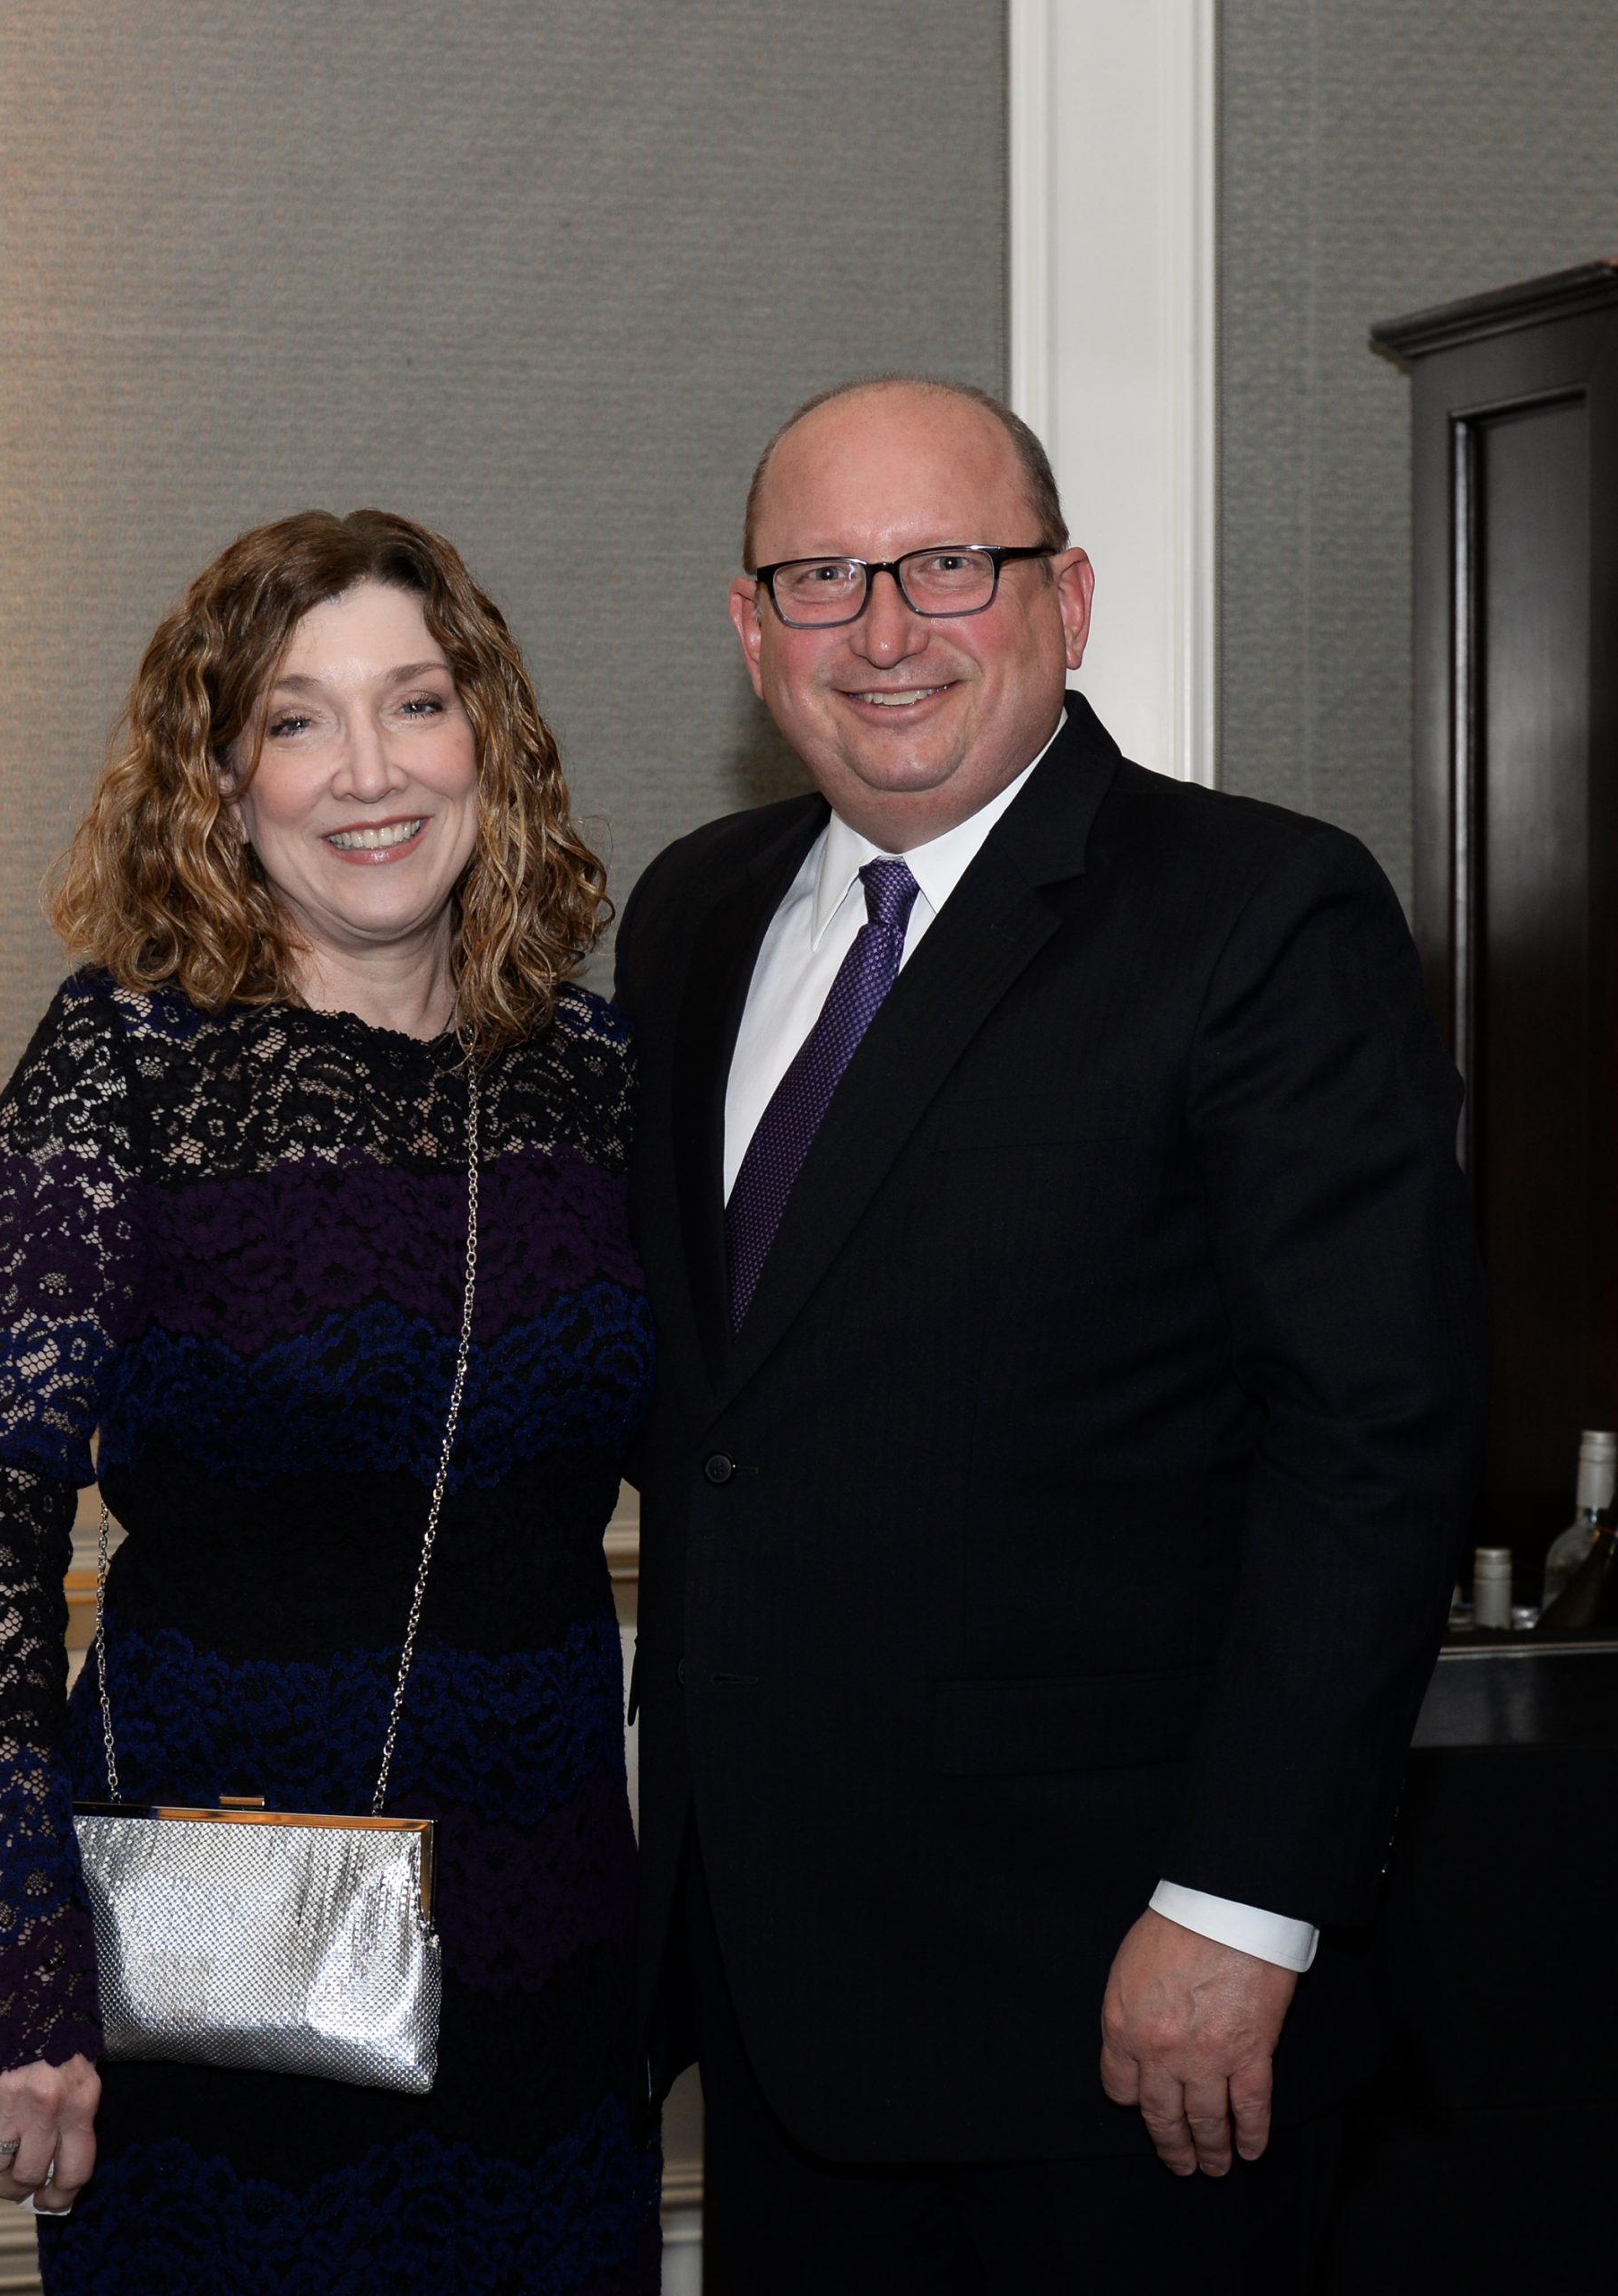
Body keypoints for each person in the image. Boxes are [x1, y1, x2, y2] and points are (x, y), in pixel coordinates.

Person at [612, 378, 1491, 2292]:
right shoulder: (690, 916)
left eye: (949, 563)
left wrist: (1240, 1905)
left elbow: (1372, 1441)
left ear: (1065, 599)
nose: (885, 630)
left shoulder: (1260, 913)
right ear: (751, 629)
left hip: (1117, 2009)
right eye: (822, 577)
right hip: (768, 1996)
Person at [0, 509, 661, 2294]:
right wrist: (20, 1954)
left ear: (490, 739)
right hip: (215, 1959)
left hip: (549, 1953)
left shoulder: (603, 1075)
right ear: (222, 779)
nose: (369, 773)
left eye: (416, 702)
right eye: (297, 720)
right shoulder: (119, 1064)